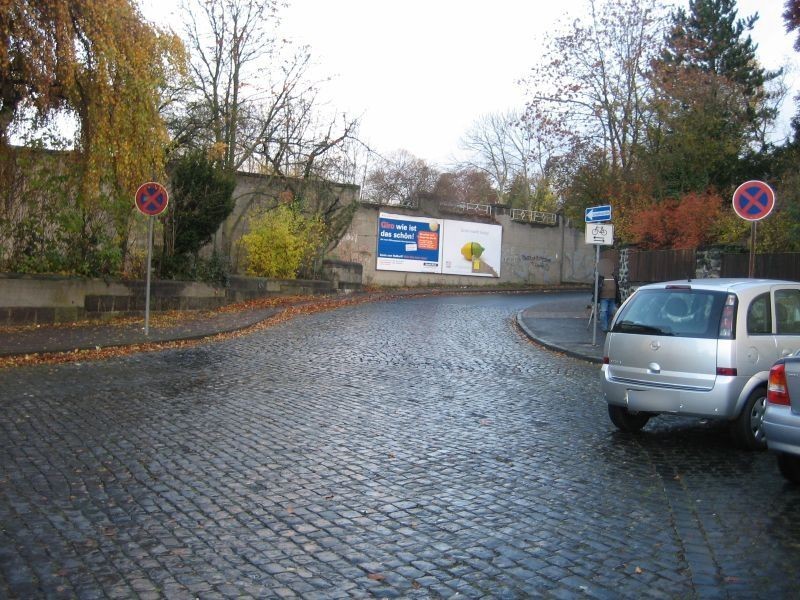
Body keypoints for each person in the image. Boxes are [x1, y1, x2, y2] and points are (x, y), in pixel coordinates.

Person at [596, 264, 620, 332]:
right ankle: (605, 328)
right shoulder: (601, 277)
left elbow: (617, 288)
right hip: (603, 298)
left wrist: (618, 298)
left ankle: (607, 325)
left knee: (611, 313)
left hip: (613, 298)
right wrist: (595, 297)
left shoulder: (614, 277)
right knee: (603, 312)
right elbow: (596, 287)